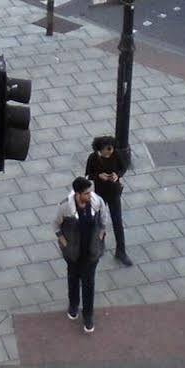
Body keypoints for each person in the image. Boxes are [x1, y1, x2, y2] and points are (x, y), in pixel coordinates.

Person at [54, 175, 107, 335]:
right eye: (86, 193)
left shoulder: (97, 202)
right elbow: (56, 224)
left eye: (90, 192)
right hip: (74, 253)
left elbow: (104, 219)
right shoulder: (65, 207)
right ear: (77, 194)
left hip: (91, 253)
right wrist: (64, 243)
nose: (89, 195)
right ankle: (73, 305)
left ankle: (88, 316)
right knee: (73, 278)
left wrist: (101, 235)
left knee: (89, 284)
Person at [84, 136, 133, 267]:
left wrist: (117, 175)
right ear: (100, 149)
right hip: (100, 194)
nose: (110, 152)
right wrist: (99, 176)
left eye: (111, 149)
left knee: (117, 222)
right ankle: (99, 244)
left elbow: (123, 168)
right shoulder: (93, 158)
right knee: (99, 221)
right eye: (107, 150)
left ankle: (121, 251)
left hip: (114, 192)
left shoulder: (116, 154)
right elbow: (89, 175)